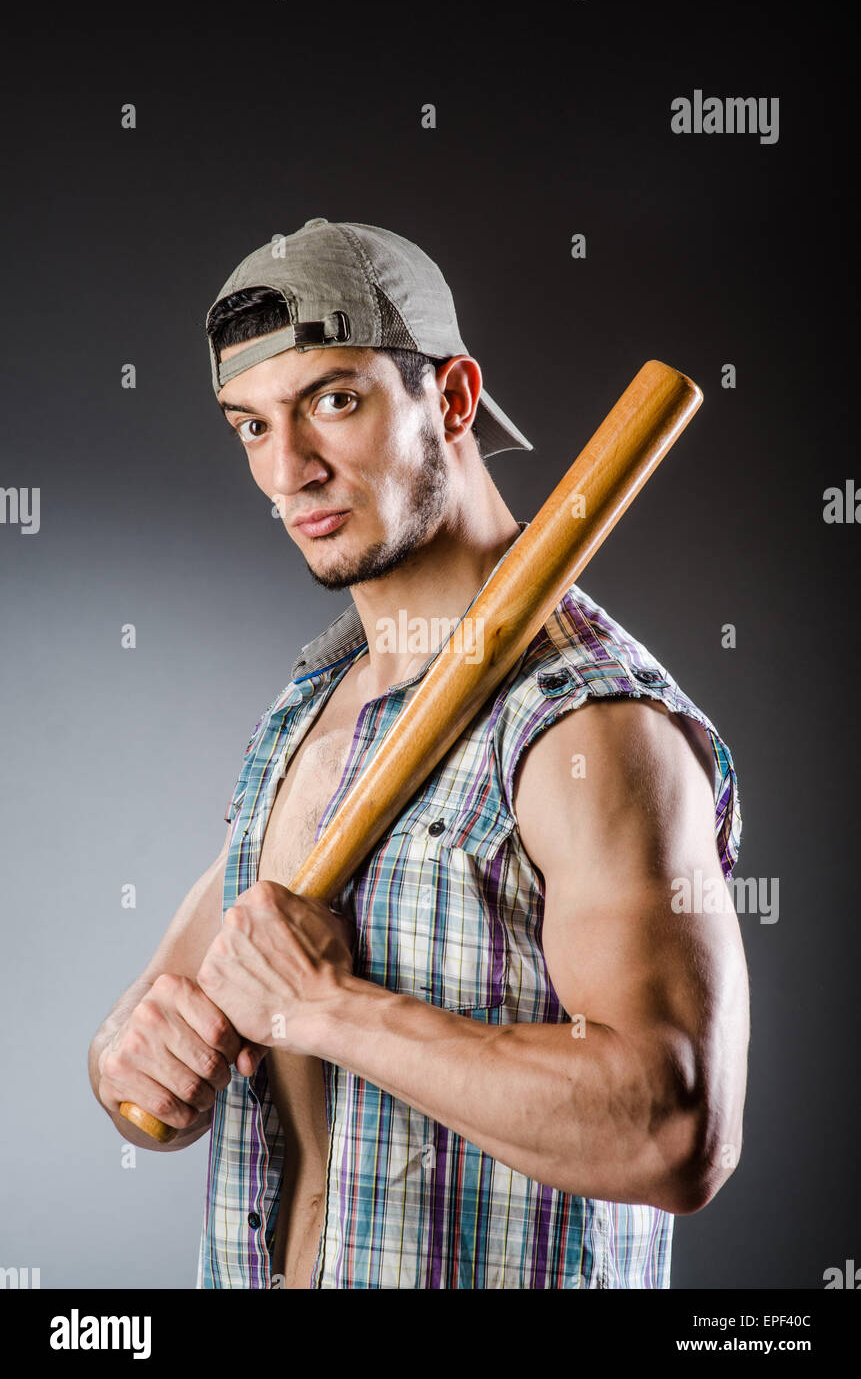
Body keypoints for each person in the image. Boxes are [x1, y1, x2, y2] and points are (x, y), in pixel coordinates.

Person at [88, 219, 748, 1289]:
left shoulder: (588, 727)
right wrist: (133, 1055)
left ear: (449, 399)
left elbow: (675, 1129)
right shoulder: (313, 709)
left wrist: (332, 1009)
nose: (288, 469)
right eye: (249, 425)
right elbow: (175, 1021)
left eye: (332, 401)